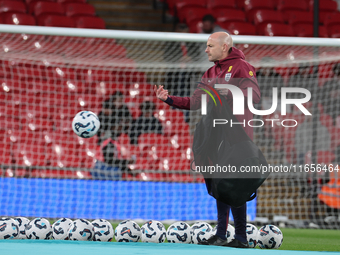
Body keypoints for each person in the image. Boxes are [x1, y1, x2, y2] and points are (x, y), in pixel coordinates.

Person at [155, 32, 261, 248]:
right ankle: (221, 234)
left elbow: (254, 95)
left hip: (236, 135)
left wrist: (227, 92)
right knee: (219, 185)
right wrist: (169, 99)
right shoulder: (210, 72)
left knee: (235, 186)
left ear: (225, 47)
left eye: (210, 46)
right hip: (214, 136)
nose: (206, 50)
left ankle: (241, 237)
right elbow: (196, 102)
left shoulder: (242, 66)